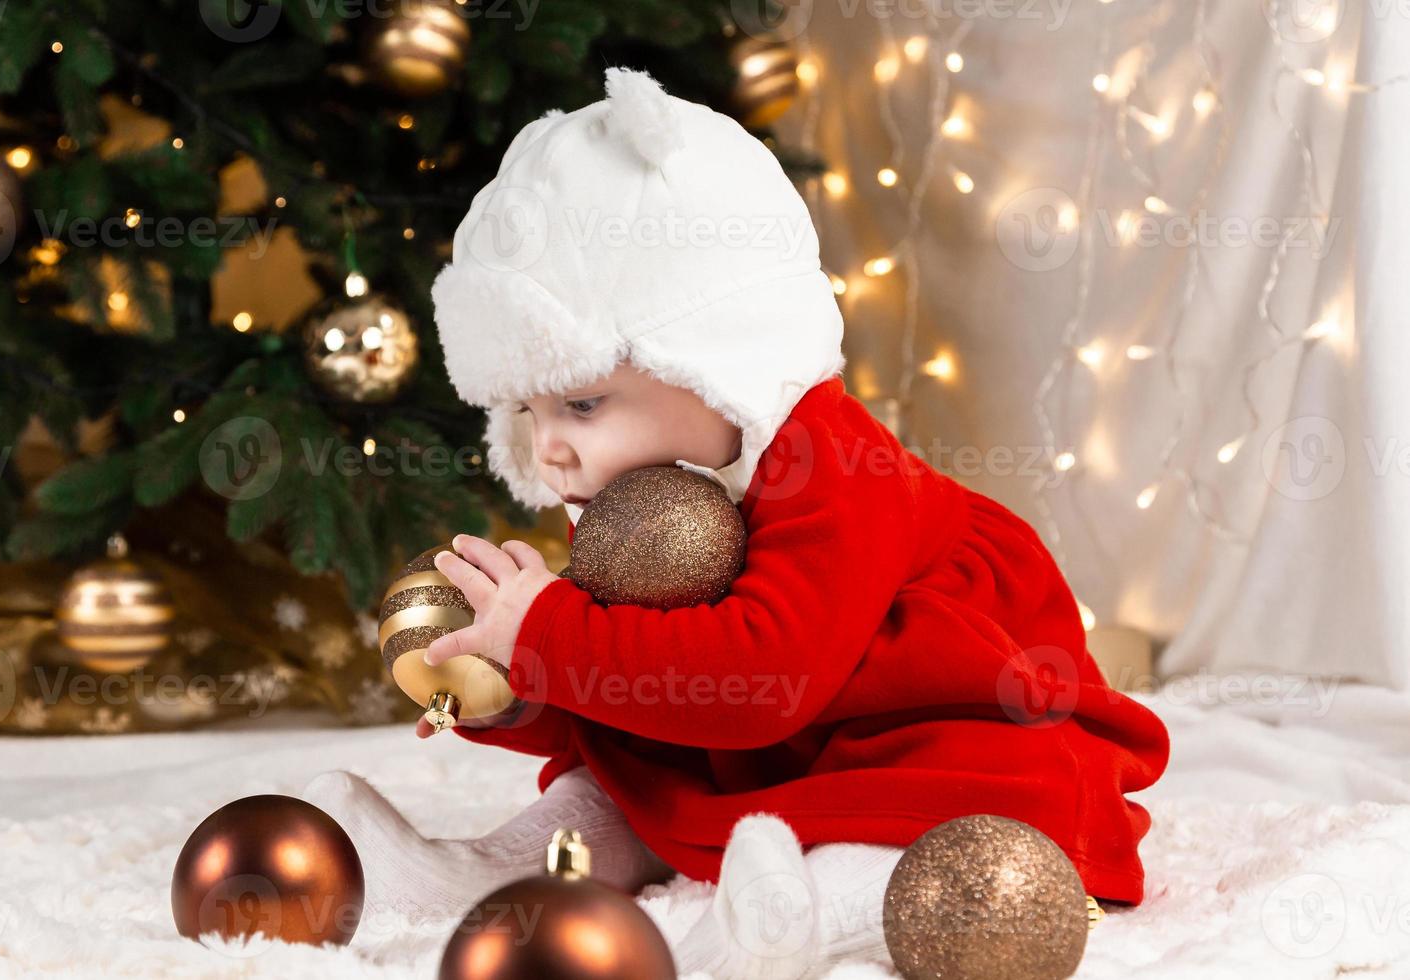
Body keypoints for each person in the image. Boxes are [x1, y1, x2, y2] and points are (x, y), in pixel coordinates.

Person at [304, 66, 1170, 978]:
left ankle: (790, 920)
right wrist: (514, 683)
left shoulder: (834, 463)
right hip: (768, 751)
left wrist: (550, 633)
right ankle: (469, 875)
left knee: (904, 836)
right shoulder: (642, 494)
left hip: (940, 731)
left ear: (714, 355)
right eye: (529, 412)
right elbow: (641, 678)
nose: (549, 448)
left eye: (584, 403)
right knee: (614, 788)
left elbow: (763, 677)